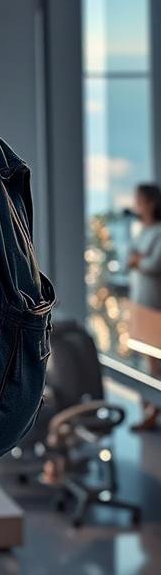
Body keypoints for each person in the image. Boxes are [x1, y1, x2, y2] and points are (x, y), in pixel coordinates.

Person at [128, 182, 161, 432]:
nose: (136, 205)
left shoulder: (158, 231)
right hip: (139, 302)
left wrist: (139, 261)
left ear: (150, 202)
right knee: (144, 358)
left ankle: (153, 410)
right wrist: (139, 260)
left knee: (155, 359)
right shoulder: (139, 230)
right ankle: (149, 408)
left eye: (139, 200)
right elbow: (130, 260)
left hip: (154, 304)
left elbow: (153, 264)